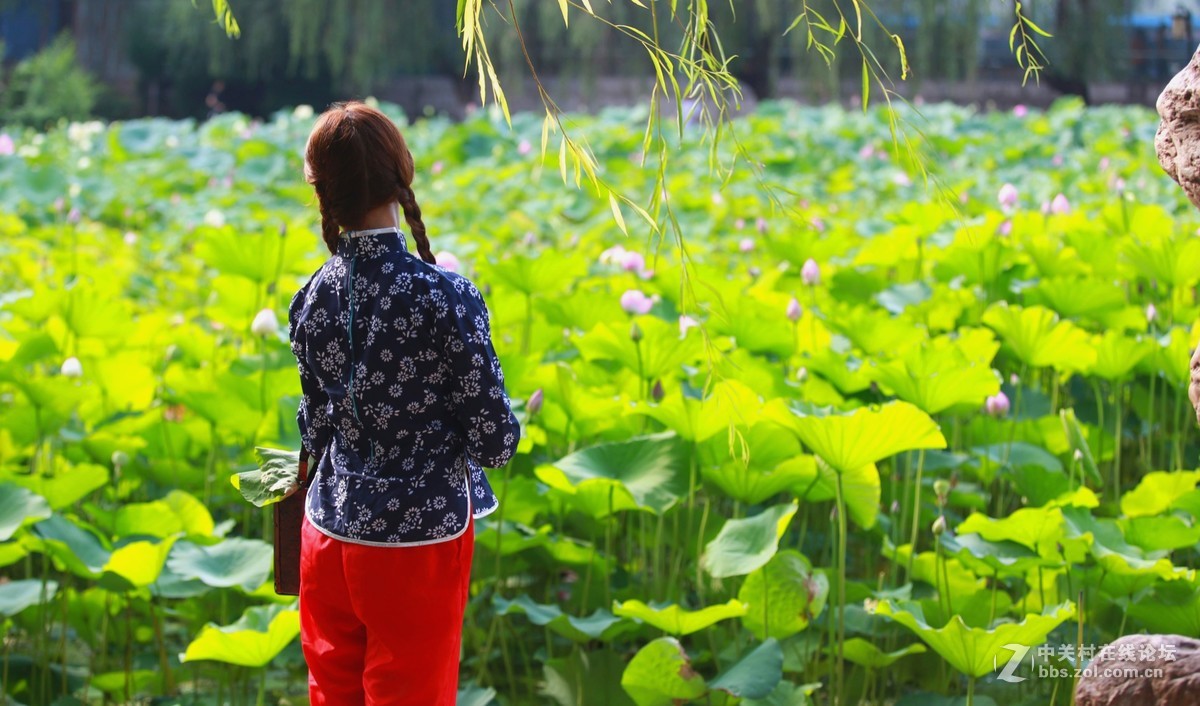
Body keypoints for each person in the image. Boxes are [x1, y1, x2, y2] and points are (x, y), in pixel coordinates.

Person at [287, 101, 520, 705]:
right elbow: (496, 441)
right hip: (416, 547)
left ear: (324, 191)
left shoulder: (311, 296)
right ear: (401, 174)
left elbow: (313, 428)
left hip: (327, 531)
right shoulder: (446, 297)